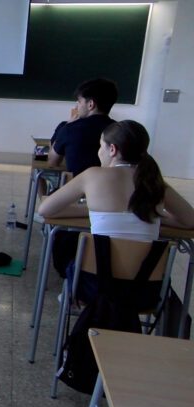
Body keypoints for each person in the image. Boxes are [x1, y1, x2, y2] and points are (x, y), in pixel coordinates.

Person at [38, 120, 194, 306]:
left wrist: (92, 211)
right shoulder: (154, 182)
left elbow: (45, 209)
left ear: (112, 149)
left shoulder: (92, 175)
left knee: (69, 253)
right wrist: (151, 215)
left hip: (94, 287)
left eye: (100, 146)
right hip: (144, 292)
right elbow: (189, 220)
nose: (99, 152)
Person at [48, 78, 118, 176]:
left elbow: (52, 162)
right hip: (111, 184)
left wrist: (64, 128)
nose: (76, 107)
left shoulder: (70, 129)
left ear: (90, 104)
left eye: (79, 102)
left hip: (77, 185)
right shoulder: (119, 131)